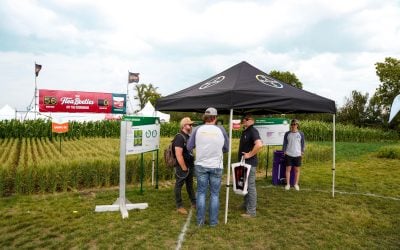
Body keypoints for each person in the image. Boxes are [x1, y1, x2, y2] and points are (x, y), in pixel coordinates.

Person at [187, 107, 229, 227]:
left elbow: (189, 147)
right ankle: (213, 222)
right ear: (215, 118)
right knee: (215, 194)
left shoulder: (197, 129)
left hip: (201, 165)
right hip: (217, 165)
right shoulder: (221, 130)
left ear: (205, 117)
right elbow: (226, 148)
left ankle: (200, 222)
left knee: (201, 193)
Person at [238, 114, 263, 218]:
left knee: (250, 186)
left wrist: (249, 154)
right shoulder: (246, 130)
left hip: (250, 163)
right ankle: (246, 205)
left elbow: (259, 144)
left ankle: (251, 211)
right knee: (244, 185)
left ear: (251, 120)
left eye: (245, 119)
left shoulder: (253, 131)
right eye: (243, 119)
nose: (244, 121)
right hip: (244, 163)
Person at [173, 117, 196, 215]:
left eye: (191, 125)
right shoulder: (179, 137)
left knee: (190, 185)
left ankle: (194, 202)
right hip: (182, 166)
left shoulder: (188, 136)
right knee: (178, 185)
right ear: (183, 125)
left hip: (189, 165)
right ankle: (179, 206)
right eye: (189, 124)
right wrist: (183, 167)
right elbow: (178, 154)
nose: (191, 126)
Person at [282, 119, 305, 191]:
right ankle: (288, 184)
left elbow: (303, 143)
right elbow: (285, 143)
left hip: (297, 154)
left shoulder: (301, 134)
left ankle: (296, 184)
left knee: (297, 170)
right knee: (288, 169)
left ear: (297, 125)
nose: (293, 126)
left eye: (295, 124)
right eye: (292, 124)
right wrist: (284, 151)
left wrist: (302, 151)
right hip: (289, 154)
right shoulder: (287, 133)